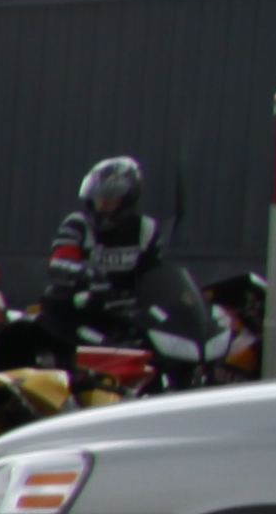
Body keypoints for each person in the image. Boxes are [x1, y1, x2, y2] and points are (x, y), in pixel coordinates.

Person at [46, 156, 224, 379]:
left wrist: (178, 300)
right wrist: (86, 273)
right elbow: (59, 261)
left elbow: (155, 274)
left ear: (127, 201)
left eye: (110, 200)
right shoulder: (78, 224)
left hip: (122, 316)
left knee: (152, 351)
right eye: (99, 199)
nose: (102, 206)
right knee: (84, 347)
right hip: (76, 311)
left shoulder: (146, 229)